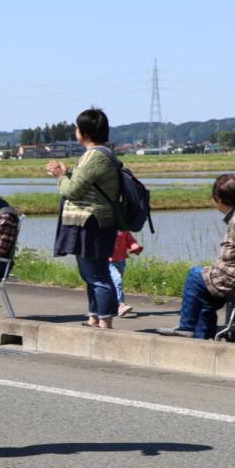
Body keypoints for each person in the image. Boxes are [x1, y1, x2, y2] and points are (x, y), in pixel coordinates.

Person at [157, 175, 235, 340]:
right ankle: (203, 339)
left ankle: (186, 327)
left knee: (195, 276)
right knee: (204, 298)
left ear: (218, 199)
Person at [46, 108, 120, 329]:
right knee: (91, 274)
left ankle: (105, 324)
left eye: (77, 127)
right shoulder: (99, 154)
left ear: (84, 132)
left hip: (90, 222)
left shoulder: (94, 156)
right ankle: (94, 318)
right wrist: (67, 174)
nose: (75, 131)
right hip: (89, 222)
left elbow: (72, 191)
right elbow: (82, 185)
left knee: (97, 275)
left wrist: (60, 177)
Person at [109, 229, 143, 317]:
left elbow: (131, 241)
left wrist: (135, 247)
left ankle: (112, 305)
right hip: (108, 261)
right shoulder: (105, 226)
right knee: (118, 281)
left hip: (121, 260)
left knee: (114, 284)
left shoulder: (123, 228)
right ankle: (121, 304)